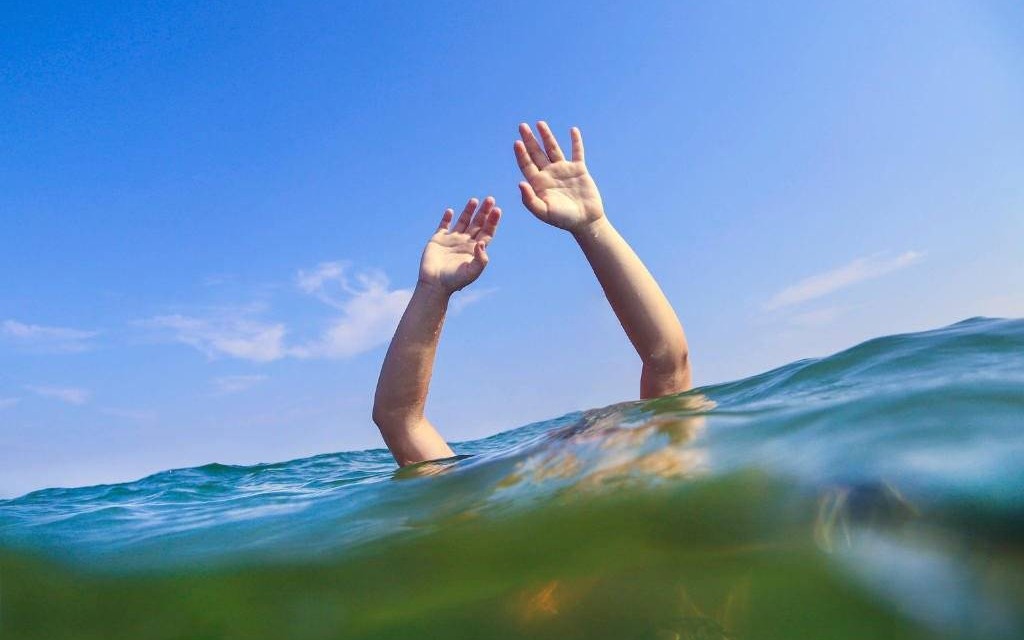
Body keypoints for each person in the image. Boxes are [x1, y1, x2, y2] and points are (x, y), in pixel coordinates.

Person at [372, 121, 691, 466]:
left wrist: (592, 226)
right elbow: (398, 420)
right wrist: (432, 290)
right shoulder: (489, 499)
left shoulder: (651, 466)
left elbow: (669, 361)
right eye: (574, 441)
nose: (581, 443)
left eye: (590, 439)